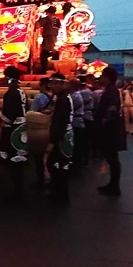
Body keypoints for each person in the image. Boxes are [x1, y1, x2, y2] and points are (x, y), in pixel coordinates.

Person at [0, 66, 29, 198]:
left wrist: (0, 117)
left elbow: (8, 114)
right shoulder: (22, 92)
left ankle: (17, 192)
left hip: (12, 129)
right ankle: (18, 189)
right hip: (22, 127)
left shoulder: (11, 92)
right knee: (18, 161)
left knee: (12, 161)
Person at [95, 67, 126, 196]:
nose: (100, 78)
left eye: (102, 75)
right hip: (110, 129)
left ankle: (114, 187)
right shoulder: (110, 90)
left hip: (110, 130)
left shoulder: (111, 91)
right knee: (111, 158)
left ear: (107, 77)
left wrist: (105, 120)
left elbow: (112, 108)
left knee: (112, 158)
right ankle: (112, 184)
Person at [46, 74, 74, 203]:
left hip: (62, 136)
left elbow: (60, 122)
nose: (52, 86)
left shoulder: (63, 99)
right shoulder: (62, 97)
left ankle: (61, 196)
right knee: (56, 165)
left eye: (56, 83)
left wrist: (53, 141)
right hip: (64, 134)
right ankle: (58, 193)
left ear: (64, 84)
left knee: (58, 166)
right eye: (51, 83)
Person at [29, 77, 53, 188]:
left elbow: (32, 112)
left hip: (39, 128)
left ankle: (41, 179)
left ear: (42, 85)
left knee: (38, 156)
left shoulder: (39, 97)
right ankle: (51, 178)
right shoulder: (54, 96)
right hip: (50, 127)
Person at [68, 77, 87, 172]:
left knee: (76, 145)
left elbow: (71, 108)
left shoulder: (76, 96)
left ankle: (76, 165)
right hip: (77, 121)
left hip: (77, 122)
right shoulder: (74, 95)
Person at [36, 7, 61, 74]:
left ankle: (44, 71)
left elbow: (38, 25)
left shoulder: (47, 18)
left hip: (48, 38)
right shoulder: (57, 19)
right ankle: (57, 70)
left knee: (43, 55)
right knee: (53, 52)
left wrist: (38, 19)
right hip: (54, 38)